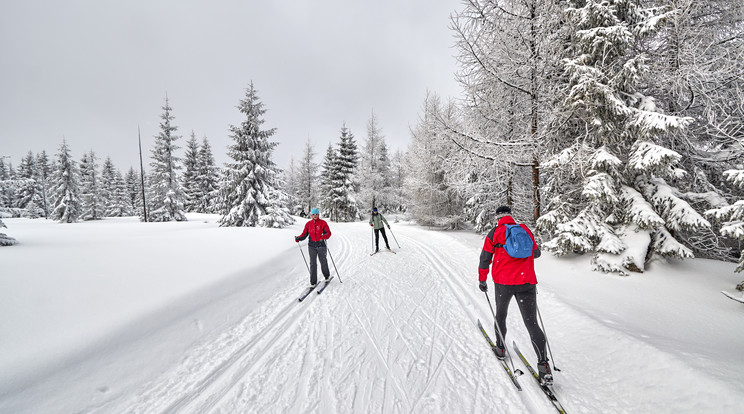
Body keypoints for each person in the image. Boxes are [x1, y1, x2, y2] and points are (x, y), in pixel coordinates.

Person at [477, 205, 551, 384]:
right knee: (532, 323)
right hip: (527, 282)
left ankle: (500, 349)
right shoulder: (524, 229)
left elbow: (485, 258)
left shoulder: (495, 233)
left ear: (497, 218)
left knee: (501, 315)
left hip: (504, 283)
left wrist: (482, 279)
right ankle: (544, 367)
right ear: (511, 216)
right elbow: (537, 253)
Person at [295, 208, 332, 287]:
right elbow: (304, 234)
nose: (315, 216)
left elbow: (328, 233)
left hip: (321, 245)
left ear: (318, 215)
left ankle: (327, 276)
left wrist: (324, 236)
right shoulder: (308, 224)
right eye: (313, 214)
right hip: (311, 246)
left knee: (323, 261)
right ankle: (313, 282)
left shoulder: (323, 223)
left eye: (316, 214)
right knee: (313, 264)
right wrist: (299, 238)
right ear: (311, 215)